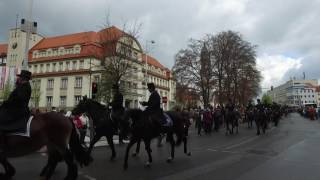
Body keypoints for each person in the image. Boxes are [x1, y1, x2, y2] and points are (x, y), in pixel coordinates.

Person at [0, 70, 32, 153]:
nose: (18, 78)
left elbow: (18, 99)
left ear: (23, 78)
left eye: (19, 77)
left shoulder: (25, 87)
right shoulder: (22, 86)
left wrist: (5, 103)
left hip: (18, 110)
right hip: (14, 108)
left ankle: (3, 144)